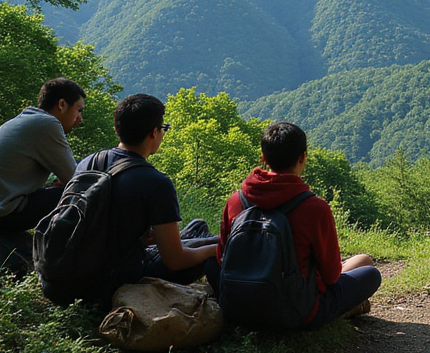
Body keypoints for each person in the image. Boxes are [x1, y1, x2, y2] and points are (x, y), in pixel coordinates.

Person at [217, 122, 381, 328]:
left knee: (360, 263)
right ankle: (344, 312)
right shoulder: (314, 208)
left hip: (238, 309)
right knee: (369, 270)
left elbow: (222, 260)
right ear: (303, 157)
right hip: (295, 315)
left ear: (263, 157)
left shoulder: (236, 201)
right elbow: (331, 277)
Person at [72, 94, 218, 301]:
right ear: (153, 133)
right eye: (163, 128)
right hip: (113, 283)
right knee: (209, 244)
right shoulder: (156, 182)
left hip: (74, 274)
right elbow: (175, 261)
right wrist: (215, 249)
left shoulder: (88, 163)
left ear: (117, 129)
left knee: (198, 226)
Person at [0, 78, 86, 231]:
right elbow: (74, 179)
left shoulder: (27, 118)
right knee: (77, 194)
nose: (80, 119)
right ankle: (64, 251)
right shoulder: (47, 124)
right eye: (79, 110)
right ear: (62, 105)